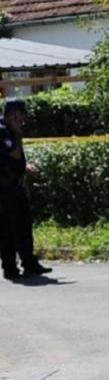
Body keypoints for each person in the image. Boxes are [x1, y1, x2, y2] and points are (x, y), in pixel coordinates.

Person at [0, 99, 52, 280]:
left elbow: (11, 159)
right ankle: (10, 268)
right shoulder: (3, 131)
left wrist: (25, 166)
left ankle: (29, 263)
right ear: (9, 115)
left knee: (24, 225)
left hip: (14, 186)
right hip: (4, 190)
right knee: (7, 229)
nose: (21, 119)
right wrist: (17, 133)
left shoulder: (9, 130)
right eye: (18, 115)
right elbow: (13, 153)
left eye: (22, 115)